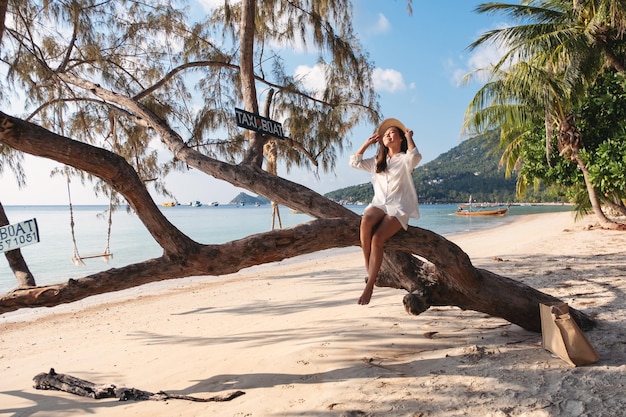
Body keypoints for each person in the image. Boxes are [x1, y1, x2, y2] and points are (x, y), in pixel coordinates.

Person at [349, 118, 422, 305]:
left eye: (392, 133)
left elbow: (415, 156)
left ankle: (370, 285)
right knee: (366, 221)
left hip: (399, 207)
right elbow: (354, 162)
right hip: (379, 204)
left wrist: (409, 136)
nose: (388, 135)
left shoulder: (405, 159)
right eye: (385, 134)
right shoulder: (377, 162)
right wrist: (367, 143)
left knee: (377, 238)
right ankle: (371, 271)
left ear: (400, 139)